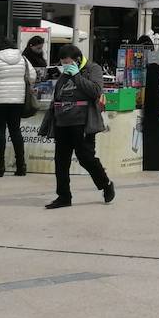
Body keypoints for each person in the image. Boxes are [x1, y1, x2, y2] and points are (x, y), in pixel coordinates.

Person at [40, 44, 114, 209]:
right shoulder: (64, 75)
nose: (65, 66)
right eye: (63, 63)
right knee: (61, 160)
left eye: (68, 63)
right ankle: (63, 196)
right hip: (62, 121)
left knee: (85, 157)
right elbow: (58, 94)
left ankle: (105, 183)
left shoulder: (92, 69)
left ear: (77, 60)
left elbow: (95, 91)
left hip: (83, 122)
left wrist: (77, 76)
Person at [0, 37, 36, 177]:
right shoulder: (22, 59)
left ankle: (0, 167)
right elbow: (32, 76)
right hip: (18, 99)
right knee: (15, 131)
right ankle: (21, 166)